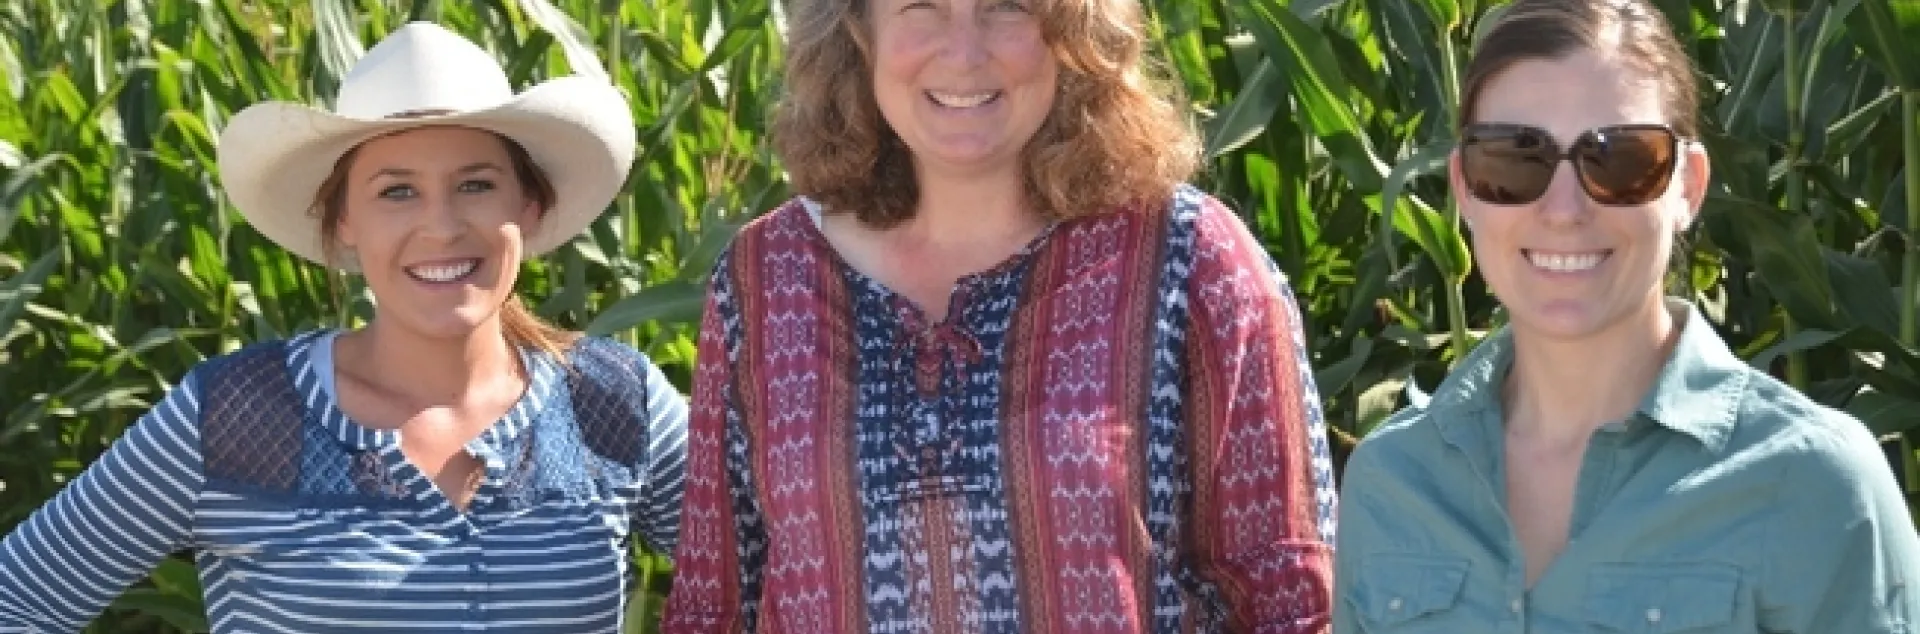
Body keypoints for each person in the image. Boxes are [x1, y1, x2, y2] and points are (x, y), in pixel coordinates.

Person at [658, 0, 1338, 632]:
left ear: (1072, 30)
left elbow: (1291, 604)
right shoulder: (763, 281)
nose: (964, 53)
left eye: (1005, 6)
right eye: (921, 7)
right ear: (859, 32)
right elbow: (711, 605)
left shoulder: (1192, 263)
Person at [0, 22, 689, 633]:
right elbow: (18, 598)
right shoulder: (238, 415)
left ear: (528, 205)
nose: (442, 225)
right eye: (396, 191)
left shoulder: (613, 401)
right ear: (344, 223)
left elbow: (770, 583)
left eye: (476, 184)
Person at [1331, 0, 1920, 631]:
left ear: (1688, 187)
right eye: (1512, 159)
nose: (1564, 209)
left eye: (1618, 160)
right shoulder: (1391, 481)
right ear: (1464, 190)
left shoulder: (1814, 483)